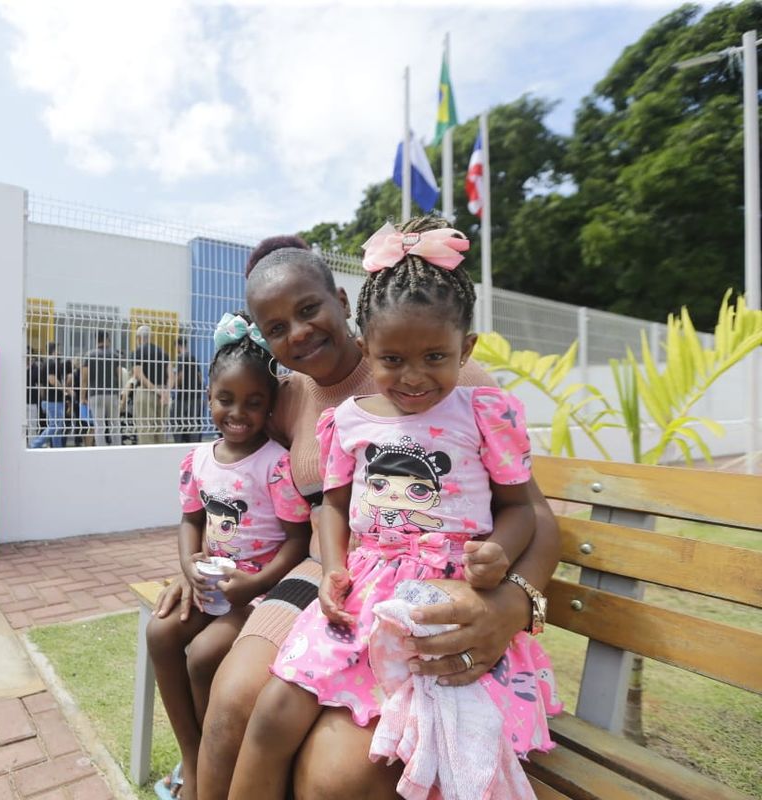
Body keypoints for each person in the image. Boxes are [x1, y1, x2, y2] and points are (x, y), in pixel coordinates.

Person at [152, 234, 560, 800]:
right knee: (233, 702)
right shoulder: (289, 397)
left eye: (309, 310)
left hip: (420, 586)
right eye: (276, 328)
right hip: (328, 576)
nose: (297, 333)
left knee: (331, 769)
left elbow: (532, 512)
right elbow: (240, 479)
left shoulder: (446, 379)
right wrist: (199, 560)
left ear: (342, 303)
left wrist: (512, 604)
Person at [147, 312, 312, 800]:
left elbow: (298, 540)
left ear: (269, 407)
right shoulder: (197, 460)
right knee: (159, 632)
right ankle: (193, 758)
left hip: (258, 595)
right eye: (226, 399)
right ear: (208, 397)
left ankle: (214, 767)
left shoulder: (275, 466)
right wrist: (189, 564)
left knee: (203, 655)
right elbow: (190, 520)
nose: (238, 412)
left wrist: (255, 585)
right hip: (212, 585)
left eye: (253, 402)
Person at [80, 330, 123, 446]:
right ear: (107, 339)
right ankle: (117, 448)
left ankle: (101, 449)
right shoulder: (114, 355)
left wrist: (82, 397)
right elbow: (119, 375)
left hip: (95, 394)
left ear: (96, 340)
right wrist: (119, 393)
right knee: (115, 424)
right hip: (112, 394)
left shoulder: (89, 355)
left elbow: (84, 379)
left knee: (99, 425)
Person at [132, 324, 170, 445]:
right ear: (150, 337)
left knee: (146, 429)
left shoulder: (138, 351)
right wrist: (166, 392)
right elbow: (171, 376)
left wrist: (155, 390)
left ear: (138, 338)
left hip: (145, 393)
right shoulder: (163, 352)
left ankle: (147, 460)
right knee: (160, 429)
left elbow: (138, 374)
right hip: (163, 394)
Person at [31, 342, 67, 448]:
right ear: (54, 350)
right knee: (55, 426)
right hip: (53, 400)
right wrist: (65, 389)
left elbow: (43, 383)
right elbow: (52, 380)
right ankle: (35, 444)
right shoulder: (52, 363)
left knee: (57, 427)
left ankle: (57, 449)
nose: (59, 352)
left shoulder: (45, 363)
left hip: (49, 399)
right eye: (58, 349)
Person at [170, 336, 205, 443]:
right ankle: (194, 444)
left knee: (176, 419)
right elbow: (200, 376)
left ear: (178, 346)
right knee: (194, 422)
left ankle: (180, 443)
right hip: (196, 395)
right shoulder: (193, 358)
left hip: (184, 396)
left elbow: (180, 376)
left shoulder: (181, 358)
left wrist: (173, 385)